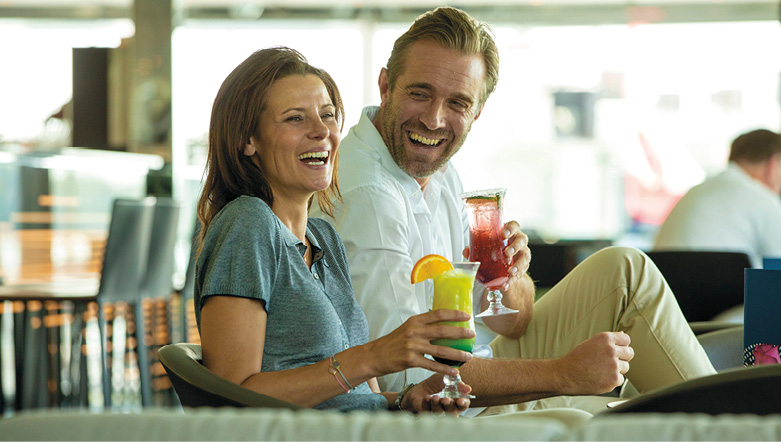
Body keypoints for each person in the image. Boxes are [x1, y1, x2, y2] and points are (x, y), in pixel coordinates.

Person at [310, 7, 716, 416]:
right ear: (385, 86)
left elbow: (513, 322)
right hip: (445, 406)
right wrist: (564, 374)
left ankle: (731, 414)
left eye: (457, 103)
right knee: (603, 388)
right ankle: (735, 420)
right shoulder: (370, 195)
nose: (434, 119)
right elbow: (410, 381)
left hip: (468, 363)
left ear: (476, 113)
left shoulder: (439, 171)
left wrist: (509, 276)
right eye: (420, 93)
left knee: (624, 270)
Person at [194, 46, 476, 414]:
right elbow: (232, 397)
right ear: (248, 140)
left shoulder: (323, 238)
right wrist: (373, 356)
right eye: (295, 119)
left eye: (327, 115)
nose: (321, 131)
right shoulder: (247, 223)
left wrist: (406, 400)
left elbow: (362, 397)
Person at [654, 128, 781, 268]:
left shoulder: (697, 192)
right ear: (773, 164)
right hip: (726, 288)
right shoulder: (763, 200)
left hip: (664, 286)